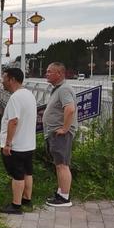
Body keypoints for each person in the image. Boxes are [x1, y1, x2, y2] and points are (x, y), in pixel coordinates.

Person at [0, 68, 37, 214]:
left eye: (4, 78)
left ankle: (16, 205)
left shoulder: (15, 98)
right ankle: (27, 200)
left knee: (17, 175)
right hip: (29, 144)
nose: (2, 81)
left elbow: (13, 121)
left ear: (12, 79)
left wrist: (8, 143)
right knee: (28, 173)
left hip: (17, 146)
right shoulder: (29, 95)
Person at [43, 62, 77, 207]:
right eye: (47, 71)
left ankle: (64, 198)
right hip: (55, 132)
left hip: (61, 134)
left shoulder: (64, 89)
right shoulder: (58, 89)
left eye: (50, 71)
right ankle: (61, 192)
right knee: (59, 164)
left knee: (62, 164)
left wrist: (64, 128)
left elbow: (70, 109)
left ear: (59, 74)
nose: (47, 73)